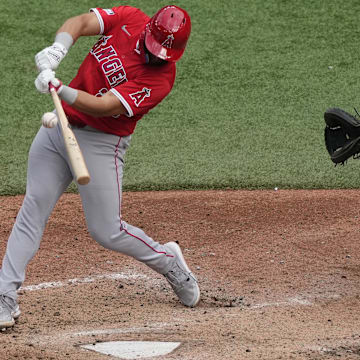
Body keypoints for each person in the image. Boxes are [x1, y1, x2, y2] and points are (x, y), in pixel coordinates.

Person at [0, 5, 200, 329]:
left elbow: (104, 107)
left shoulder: (161, 79)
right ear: (148, 29)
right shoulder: (130, 18)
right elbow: (79, 22)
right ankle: (4, 295)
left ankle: (169, 263)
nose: (157, 57)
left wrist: (59, 87)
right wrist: (57, 50)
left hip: (102, 144)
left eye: (165, 54)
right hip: (57, 129)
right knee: (33, 209)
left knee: (107, 230)